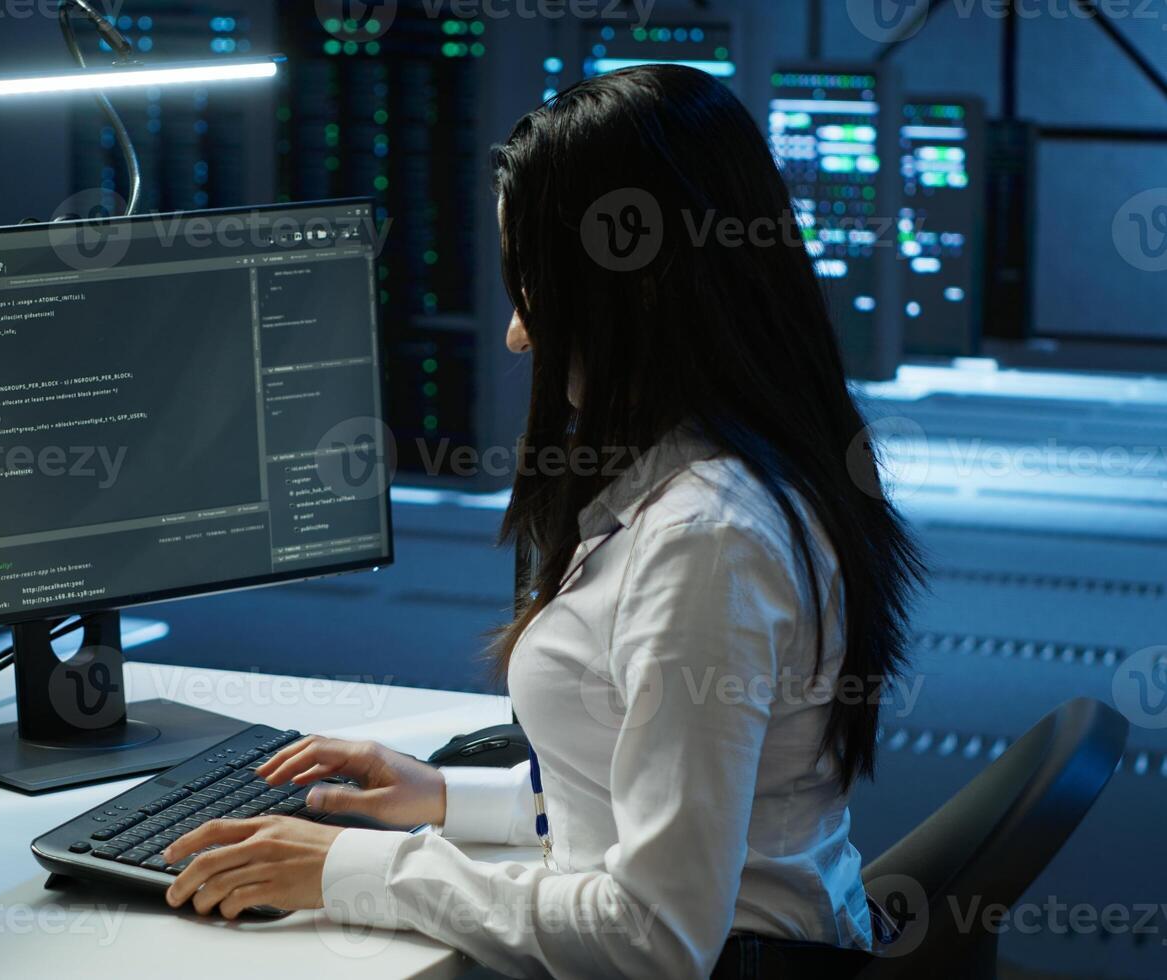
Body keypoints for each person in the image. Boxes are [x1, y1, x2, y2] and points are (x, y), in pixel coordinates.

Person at [161, 64, 923, 980]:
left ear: (629, 290)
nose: (518, 334)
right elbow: (678, 806)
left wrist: (348, 870)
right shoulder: (726, 474)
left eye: (531, 289)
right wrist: (447, 798)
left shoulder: (706, 539)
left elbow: (654, 937)